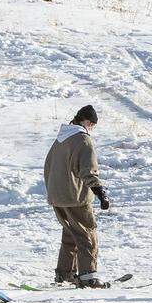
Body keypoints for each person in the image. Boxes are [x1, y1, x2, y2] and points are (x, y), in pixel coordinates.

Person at [43, 104, 112, 288]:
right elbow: (88, 170)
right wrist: (100, 193)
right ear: (88, 122)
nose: (92, 129)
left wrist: (54, 190)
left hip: (57, 196)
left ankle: (65, 274)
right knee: (87, 233)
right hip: (75, 197)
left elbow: (47, 166)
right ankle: (88, 276)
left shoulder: (59, 140)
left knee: (71, 233)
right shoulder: (82, 140)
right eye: (92, 125)